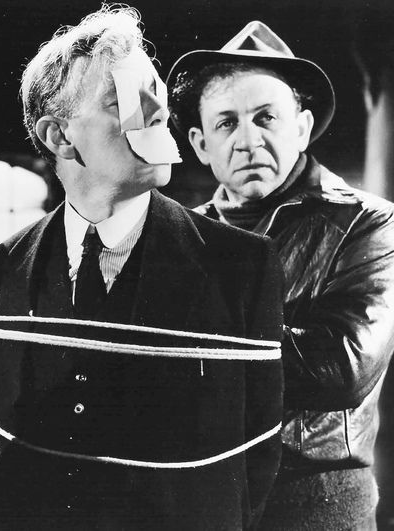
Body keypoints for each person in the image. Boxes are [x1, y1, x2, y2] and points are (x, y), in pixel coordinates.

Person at [0, 7, 284, 530]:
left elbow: (256, 455)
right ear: (60, 136)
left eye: (155, 95)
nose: (157, 115)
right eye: (125, 100)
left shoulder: (243, 266)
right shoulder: (6, 265)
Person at [168, 20, 394, 530]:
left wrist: (192, 340)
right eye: (227, 123)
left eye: (266, 117)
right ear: (200, 144)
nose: (248, 140)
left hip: (317, 500)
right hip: (203, 496)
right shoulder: (178, 235)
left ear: (302, 128)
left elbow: (342, 369)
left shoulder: (369, 222)